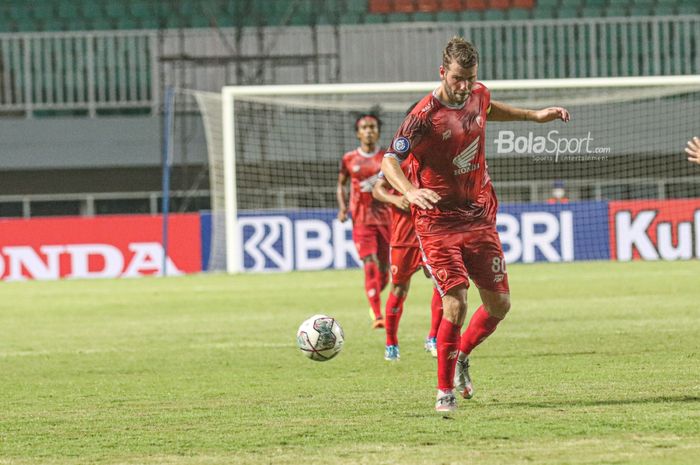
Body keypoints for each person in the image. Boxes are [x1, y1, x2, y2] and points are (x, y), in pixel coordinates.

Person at [381, 36, 570, 413]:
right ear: (442, 73)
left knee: (499, 304)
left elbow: (488, 108)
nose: (464, 86)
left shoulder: (478, 94)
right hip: (437, 222)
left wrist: (534, 116)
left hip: (479, 216)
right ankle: (443, 393)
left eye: (470, 78)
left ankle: (462, 355)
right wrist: (410, 191)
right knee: (456, 301)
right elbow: (389, 160)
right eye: (457, 79)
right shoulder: (423, 116)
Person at [372, 155, 443, 361]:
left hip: (432, 232)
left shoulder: (437, 156)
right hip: (404, 237)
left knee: (441, 283)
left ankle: (434, 337)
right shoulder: (397, 159)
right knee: (400, 288)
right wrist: (395, 199)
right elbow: (377, 189)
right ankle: (391, 343)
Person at [337, 114, 392, 329]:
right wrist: (343, 208)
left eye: (372, 127)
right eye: (364, 127)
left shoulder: (387, 157)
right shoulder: (349, 159)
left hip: (387, 220)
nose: (368, 131)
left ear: (378, 131)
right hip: (361, 221)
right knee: (369, 264)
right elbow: (341, 184)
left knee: (385, 272)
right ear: (358, 133)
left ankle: (373, 297)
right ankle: (378, 315)